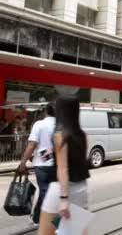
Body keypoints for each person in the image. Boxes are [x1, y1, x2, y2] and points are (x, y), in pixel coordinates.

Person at [39, 95, 90, 235]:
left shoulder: (60, 135)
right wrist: (54, 151)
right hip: (81, 190)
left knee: (44, 233)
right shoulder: (82, 135)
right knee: (76, 232)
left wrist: (64, 199)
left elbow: (63, 169)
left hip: (61, 191)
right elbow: (76, 161)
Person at [18, 103, 56, 225]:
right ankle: (37, 218)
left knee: (46, 192)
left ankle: (55, 224)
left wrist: (23, 162)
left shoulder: (39, 124)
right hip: (58, 165)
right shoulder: (62, 125)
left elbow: (31, 145)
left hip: (42, 165)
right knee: (48, 191)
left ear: (45, 111)